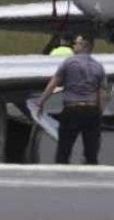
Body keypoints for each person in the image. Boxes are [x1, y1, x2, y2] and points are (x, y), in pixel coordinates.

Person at [36, 33, 107, 164]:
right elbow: (102, 93)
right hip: (91, 109)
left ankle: (62, 176)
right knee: (91, 152)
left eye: (77, 43)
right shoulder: (98, 66)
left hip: (72, 109)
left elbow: (53, 84)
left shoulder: (68, 63)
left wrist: (41, 102)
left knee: (64, 150)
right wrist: (99, 113)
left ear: (84, 46)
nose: (74, 46)